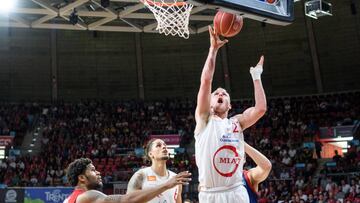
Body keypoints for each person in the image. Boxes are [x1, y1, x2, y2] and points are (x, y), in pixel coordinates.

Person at [194, 26, 267, 203]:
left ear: (230, 105)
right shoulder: (203, 119)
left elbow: (260, 109)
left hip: (236, 191)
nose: (220, 94)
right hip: (210, 194)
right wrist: (213, 50)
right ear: (209, 103)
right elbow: (206, 81)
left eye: (224, 94)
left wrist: (256, 76)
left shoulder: (237, 123)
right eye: (216, 93)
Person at [64, 158, 191, 203]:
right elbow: (127, 200)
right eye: (92, 170)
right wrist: (166, 185)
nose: (98, 172)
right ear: (81, 178)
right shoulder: (88, 196)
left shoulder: (70, 198)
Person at [127, 138, 186, 203]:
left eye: (165, 145)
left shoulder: (176, 178)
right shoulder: (141, 175)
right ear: (150, 154)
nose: (164, 147)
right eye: (158, 145)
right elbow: (128, 200)